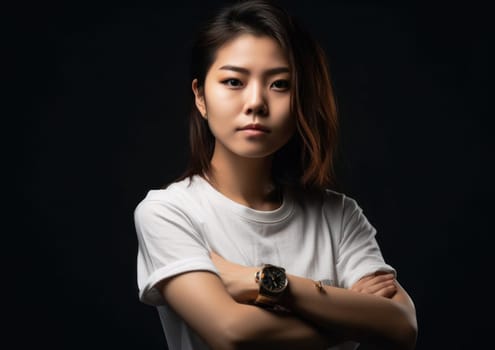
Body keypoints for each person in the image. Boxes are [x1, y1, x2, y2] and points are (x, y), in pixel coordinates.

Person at [133, 0, 418, 349]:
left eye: (279, 84)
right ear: (201, 96)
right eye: (234, 81)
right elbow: (232, 333)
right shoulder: (169, 212)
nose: (255, 102)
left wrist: (260, 281)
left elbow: (403, 324)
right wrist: (353, 316)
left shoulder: (339, 216)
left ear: (301, 98)